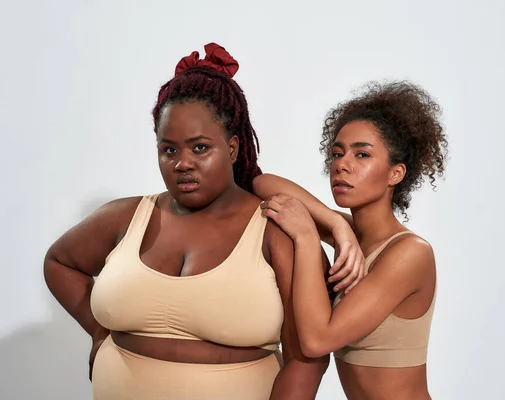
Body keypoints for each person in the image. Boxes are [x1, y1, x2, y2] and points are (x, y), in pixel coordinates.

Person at [43, 43, 351, 400]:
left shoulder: (276, 230)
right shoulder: (125, 217)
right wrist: (99, 333)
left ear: (233, 148)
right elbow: (59, 263)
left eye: (200, 147)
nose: (182, 163)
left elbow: (307, 358)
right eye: (169, 149)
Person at [254, 81, 448, 400]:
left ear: (395, 174)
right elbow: (261, 182)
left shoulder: (410, 253)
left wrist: (306, 236)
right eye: (337, 153)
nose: (342, 164)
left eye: (362, 154)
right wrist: (334, 223)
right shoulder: (351, 236)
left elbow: (317, 340)